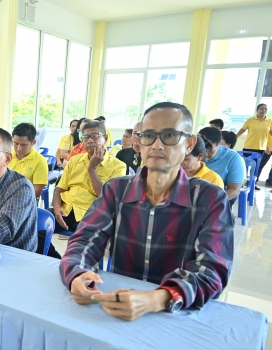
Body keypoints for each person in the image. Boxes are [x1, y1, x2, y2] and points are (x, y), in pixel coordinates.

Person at [60, 102, 233, 321]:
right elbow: (84, 240)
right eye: (148, 135)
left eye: (169, 135)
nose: (156, 145)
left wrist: (155, 299)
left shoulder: (210, 199)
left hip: (178, 315)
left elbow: (212, 270)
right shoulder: (116, 190)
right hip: (117, 310)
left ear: (189, 144)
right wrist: (78, 274)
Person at [52, 120, 126, 235]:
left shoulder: (118, 166)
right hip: (64, 210)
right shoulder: (75, 160)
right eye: (85, 137)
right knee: (35, 225)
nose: (90, 140)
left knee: (83, 241)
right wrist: (56, 208)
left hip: (90, 216)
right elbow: (58, 190)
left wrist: (92, 168)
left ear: (105, 138)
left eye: (95, 136)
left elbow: (107, 199)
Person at [199, 127, 244, 201]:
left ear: (219, 144)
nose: (205, 154)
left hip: (219, 197)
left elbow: (234, 190)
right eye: (202, 150)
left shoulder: (233, 157)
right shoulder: (192, 152)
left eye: (211, 150)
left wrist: (213, 202)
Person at [8, 123, 49, 198]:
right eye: (16, 143)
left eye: (23, 145)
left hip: (24, 200)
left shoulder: (40, 161)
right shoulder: (7, 155)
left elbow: (36, 192)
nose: (19, 148)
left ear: (33, 142)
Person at [236, 104, 272, 186]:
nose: (263, 110)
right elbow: (242, 130)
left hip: (261, 148)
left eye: (265, 109)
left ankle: (253, 184)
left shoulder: (270, 121)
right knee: (245, 165)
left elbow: (270, 134)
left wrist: (268, 146)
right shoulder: (250, 120)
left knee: (257, 167)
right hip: (248, 146)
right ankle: (242, 182)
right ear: (257, 110)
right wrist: (234, 138)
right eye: (261, 109)